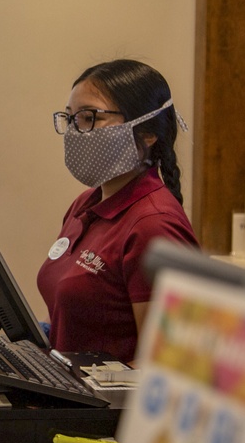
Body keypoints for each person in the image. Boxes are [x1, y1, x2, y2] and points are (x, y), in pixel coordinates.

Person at [36, 59, 199, 364]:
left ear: (148, 132)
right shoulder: (85, 204)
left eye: (88, 118)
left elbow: (171, 364)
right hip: (67, 395)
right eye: (70, 119)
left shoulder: (154, 226)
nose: (75, 132)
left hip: (107, 409)